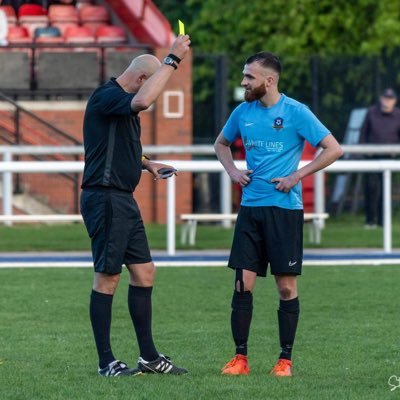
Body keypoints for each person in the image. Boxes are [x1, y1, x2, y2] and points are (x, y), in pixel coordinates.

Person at [214, 51, 343, 377]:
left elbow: (334, 149)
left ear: (269, 81)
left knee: (286, 288)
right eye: (243, 76)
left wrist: (297, 175)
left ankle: (284, 360)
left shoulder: (297, 112)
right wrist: (232, 172)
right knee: (243, 284)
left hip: (284, 212)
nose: (243, 82)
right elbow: (221, 144)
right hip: (250, 210)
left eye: (249, 77)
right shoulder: (243, 112)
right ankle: (240, 358)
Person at [80, 34, 191, 376]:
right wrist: (172, 59)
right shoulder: (109, 96)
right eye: (152, 82)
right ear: (142, 78)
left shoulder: (119, 104)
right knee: (108, 277)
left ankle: (149, 358)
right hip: (105, 197)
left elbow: (119, 144)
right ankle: (106, 363)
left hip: (122, 200)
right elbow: (143, 102)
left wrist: (147, 163)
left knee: (144, 272)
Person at [359, 88, 400, 228]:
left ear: (394, 101)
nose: (387, 101)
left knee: (386, 190)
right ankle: (370, 220)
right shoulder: (371, 112)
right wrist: (364, 151)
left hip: (389, 157)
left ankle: (383, 221)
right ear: (380, 99)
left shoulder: (398, 114)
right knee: (370, 188)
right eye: (385, 98)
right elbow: (363, 133)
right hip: (372, 157)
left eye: (390, 99)